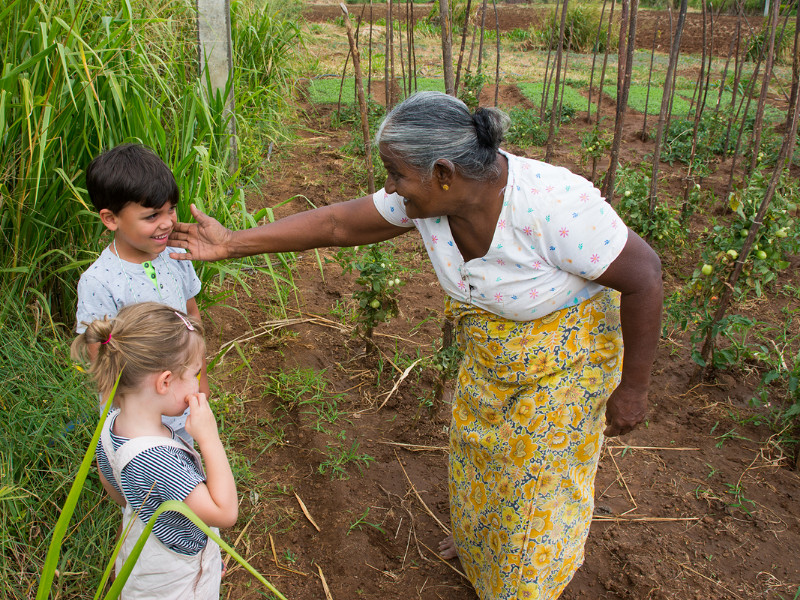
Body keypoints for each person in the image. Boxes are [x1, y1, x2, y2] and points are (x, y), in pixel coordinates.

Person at [168, 91, 663, 600]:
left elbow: (644, 276)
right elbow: (337, 224)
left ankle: (524, 583)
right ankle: (486, 550)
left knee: (537, 491)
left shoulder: (555, 207)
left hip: (567, 362)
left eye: (396, 174)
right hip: (492, 356)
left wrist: (634, 390)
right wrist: (231, 242)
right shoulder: (430, 201)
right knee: (481, 458)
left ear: (444, 173)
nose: (389, 186)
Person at [72, 302, 237, 599]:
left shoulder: (110, 425)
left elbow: (115, 489)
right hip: (178, 578)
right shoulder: (162, 461)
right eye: (195, 375)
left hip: (143, 547)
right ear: (165, 382)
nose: (198, 386)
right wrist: (209, 437)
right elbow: (224, 513)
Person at [75, 143, 209, 443]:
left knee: (183, 470)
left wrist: (201, 380)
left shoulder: (175, 256)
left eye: (171, 209)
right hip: (136, 416)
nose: (167, 223)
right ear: (111, 219)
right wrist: (125, 417)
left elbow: (193, 317)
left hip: (182, 401)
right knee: (142, 480)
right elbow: (101, 355)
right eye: (151, 216)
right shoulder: (100, 281)